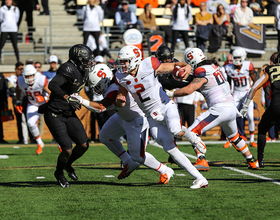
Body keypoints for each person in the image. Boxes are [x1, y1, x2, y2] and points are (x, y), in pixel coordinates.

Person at [115, 45, 209, 189]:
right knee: (170, 149)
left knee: (176, 131)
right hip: (150, 116)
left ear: (135, 60)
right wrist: (119, 101)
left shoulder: (149, 64)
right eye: (121, 61)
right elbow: (121, 95)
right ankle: (200, 178)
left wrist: (187, 67)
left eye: (126, 61)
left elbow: (174, 65)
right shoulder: (121, 76)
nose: (123, 64)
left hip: (165, 105)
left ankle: (194, 138)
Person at [73, 64, 175, 184]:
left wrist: (81, 100)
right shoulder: (113, 82)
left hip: (137, 120)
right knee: (105, 136)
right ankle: (128, 162)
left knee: (138, 156)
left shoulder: (114, 90)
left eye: (97, 86)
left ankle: (165, 170)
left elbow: (100, 107)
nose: (95, 89)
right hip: (122, 116)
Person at [167, 47, 259, 171]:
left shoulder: (201, 70)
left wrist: (171, 94)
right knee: (234, 137)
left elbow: (189, 89)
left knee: (192, 132)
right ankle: (252, 161)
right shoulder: (213, 67)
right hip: (231, 108)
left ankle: (202, 160)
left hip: (220, 108)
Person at [43, 44, 94, 188]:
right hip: (55, 113)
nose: (88, 62)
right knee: (67, 148)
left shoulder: (84, 70)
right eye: (85, 60)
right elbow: (52, 85)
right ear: (77, 60)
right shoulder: (68, 68)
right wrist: (66, 97)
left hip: (69, 112)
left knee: (83, 144)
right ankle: (59, 172)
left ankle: (68, 164)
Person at [239, 52, 280, 168]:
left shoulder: (271, 69)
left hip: (276, 105)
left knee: (262, 129)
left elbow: (254, 87)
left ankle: (260, 161)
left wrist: (246, 106)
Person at [223, 48, 257, 148]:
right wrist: (228, 93)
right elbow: (228, 82)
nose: (237, 59)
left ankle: (252, 140)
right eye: (235, 57)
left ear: (243, 57)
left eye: (239, 57)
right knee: (229, 116)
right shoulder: (229, 67)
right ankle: (229, 140)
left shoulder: (248, 65)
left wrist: (252, 91)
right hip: (236, 93)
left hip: (246, 92)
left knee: (250, 116)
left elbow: (255, 80)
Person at [15, 64, 50, 154]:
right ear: (24, 76)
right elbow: (17, 90)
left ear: (35, 74)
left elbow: (53, 94)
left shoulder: (41, 79)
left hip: (46, 103)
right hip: (32, 103)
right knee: (30, 123)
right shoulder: (20, 81)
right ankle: (39, 143)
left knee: (54, 124)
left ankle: (60, 145)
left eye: (31, 75)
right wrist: (18, 102)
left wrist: (44, 98)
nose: (30, 78)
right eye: (27, 76)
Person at [6, 62, 29, 144]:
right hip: (16, 102)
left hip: (26, 100)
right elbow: (12, 90)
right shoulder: (11, 78)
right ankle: (21, 138)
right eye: (19, 69)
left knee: (28, 120)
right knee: (19, 121)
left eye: (22, 69)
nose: (20, 71)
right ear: (15, 69)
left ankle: (32, 138)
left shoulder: (26, 78)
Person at [0, 72, 8, 144]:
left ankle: (1, 138)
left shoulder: (1, 76)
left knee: (0, 121)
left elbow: (4, 90)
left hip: (0, 102)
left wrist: (6, 103)